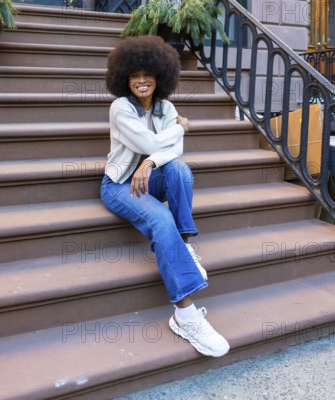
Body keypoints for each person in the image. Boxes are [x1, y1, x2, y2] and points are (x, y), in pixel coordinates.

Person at [101, 35, 229, 357]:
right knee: (160, 216)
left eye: (148, 74)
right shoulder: (120, 108)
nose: (141, 81)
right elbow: (156, 142)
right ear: (124, 78)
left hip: (150, 176)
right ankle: (185, 314)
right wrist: (182, 128)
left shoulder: (167, 107)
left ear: (160, 77)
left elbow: (172, 151)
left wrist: (151, 162)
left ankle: (185, 244)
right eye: (134, 75)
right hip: (119, 185)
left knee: (180, 170)